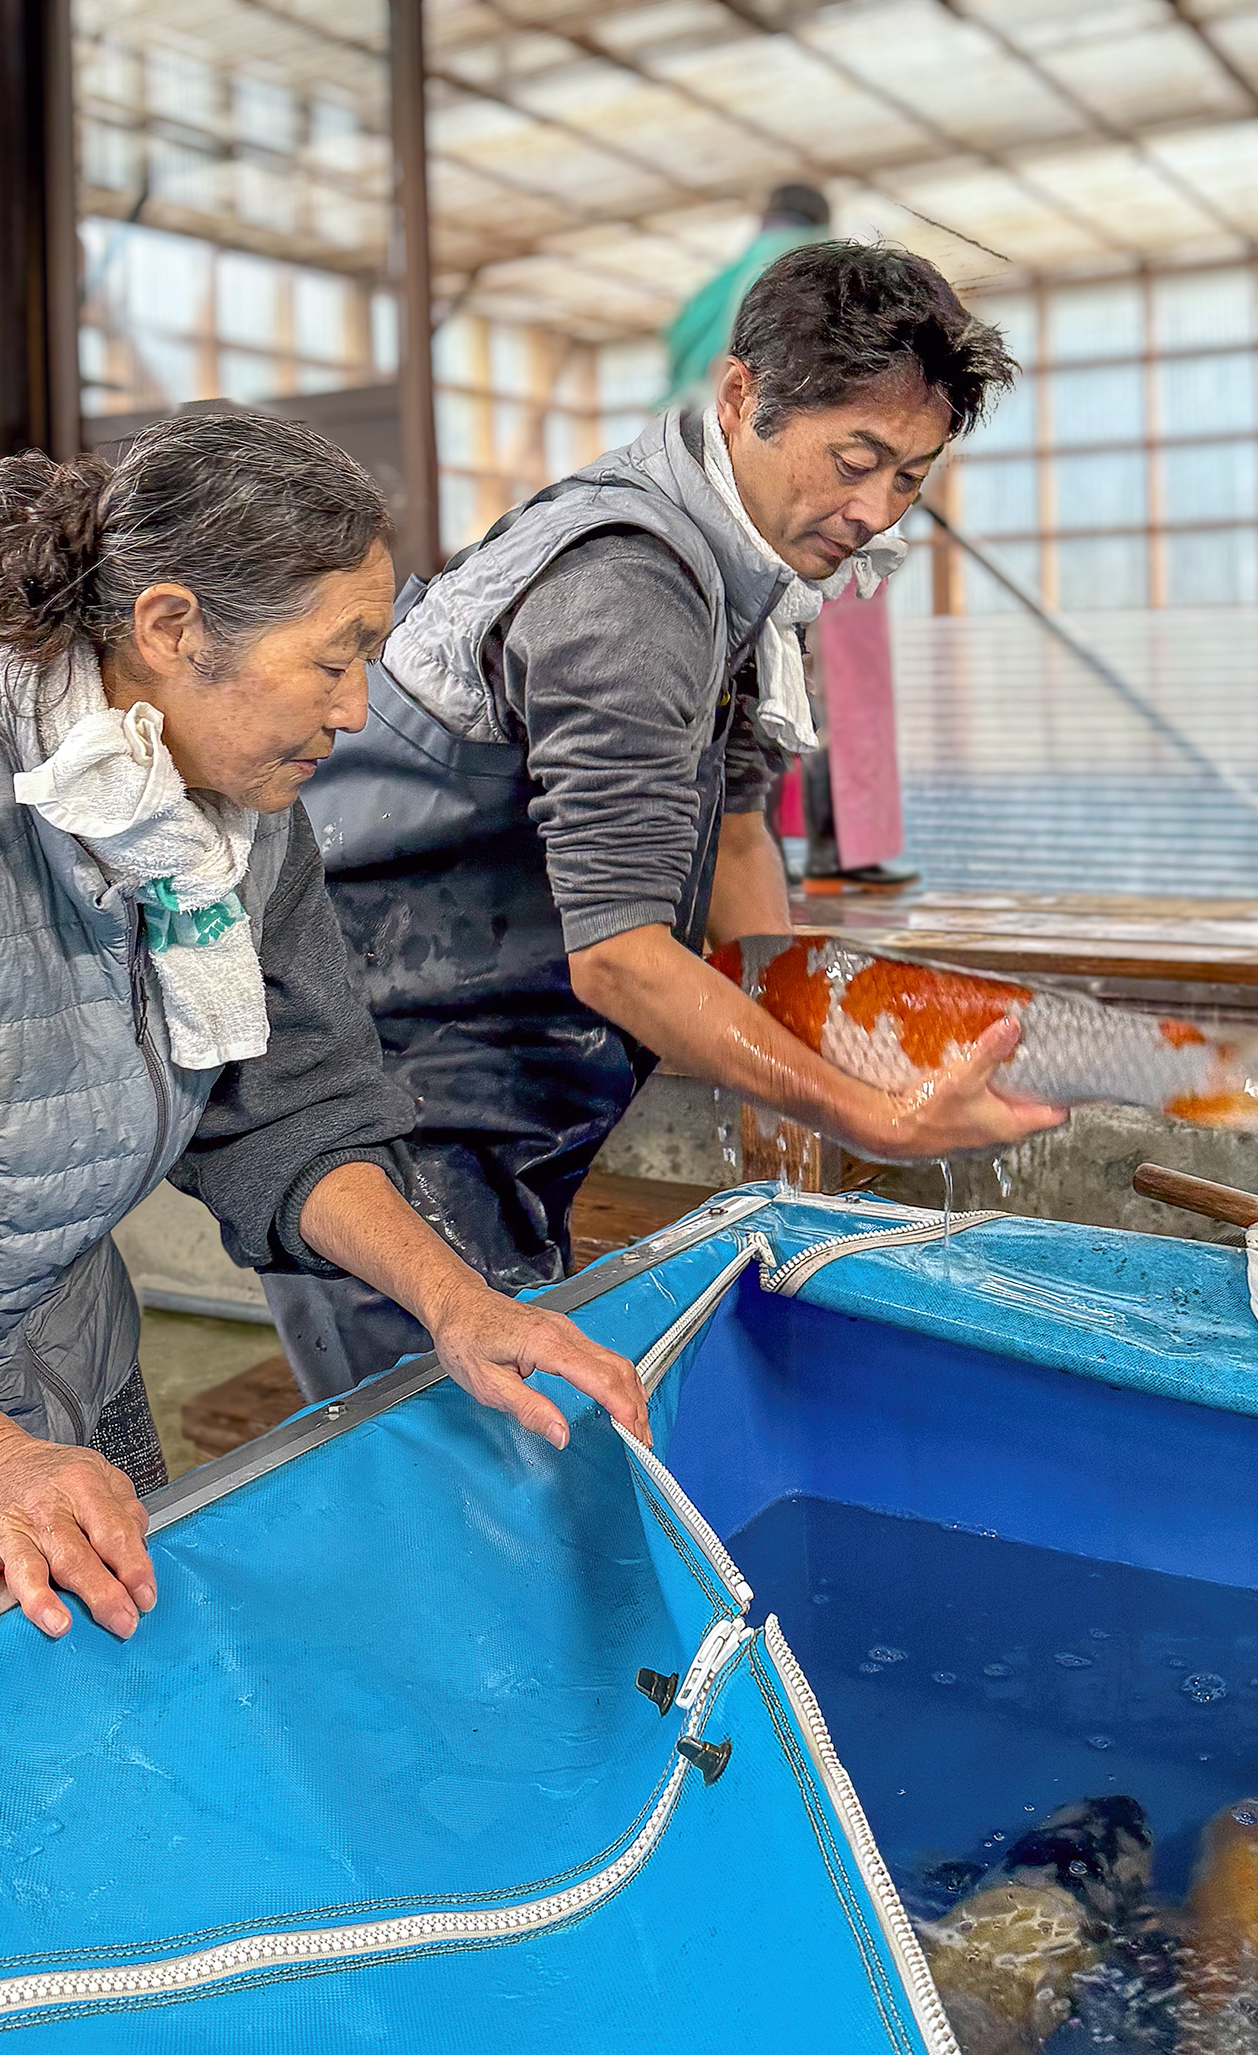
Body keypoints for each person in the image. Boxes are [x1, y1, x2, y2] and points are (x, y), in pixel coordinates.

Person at [0, 408, 646, 1684]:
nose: (358, 705)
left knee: (133, 1711)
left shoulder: (239, 809)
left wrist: (459, 1302)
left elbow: (291, 1107)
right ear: (169, 629)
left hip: (51, 1336)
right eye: (333, 658)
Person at [270, 242, 1065, 1402]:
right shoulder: (632, 588)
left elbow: (738, 832)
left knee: (532, 1438)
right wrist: (871, 1114)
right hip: (387, 1098)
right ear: (741, 396)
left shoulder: (749, 572)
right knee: (465, 1462)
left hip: (499, 1090)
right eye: (857, 459)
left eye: (911, 477)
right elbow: (623, 959)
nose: (874, 510)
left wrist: (809, 1082)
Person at [664, 182, 830, 412]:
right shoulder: (819, 263)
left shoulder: (723, 280)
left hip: (692, 406)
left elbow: (677, 334)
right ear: (823, 219)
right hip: (767, 405)